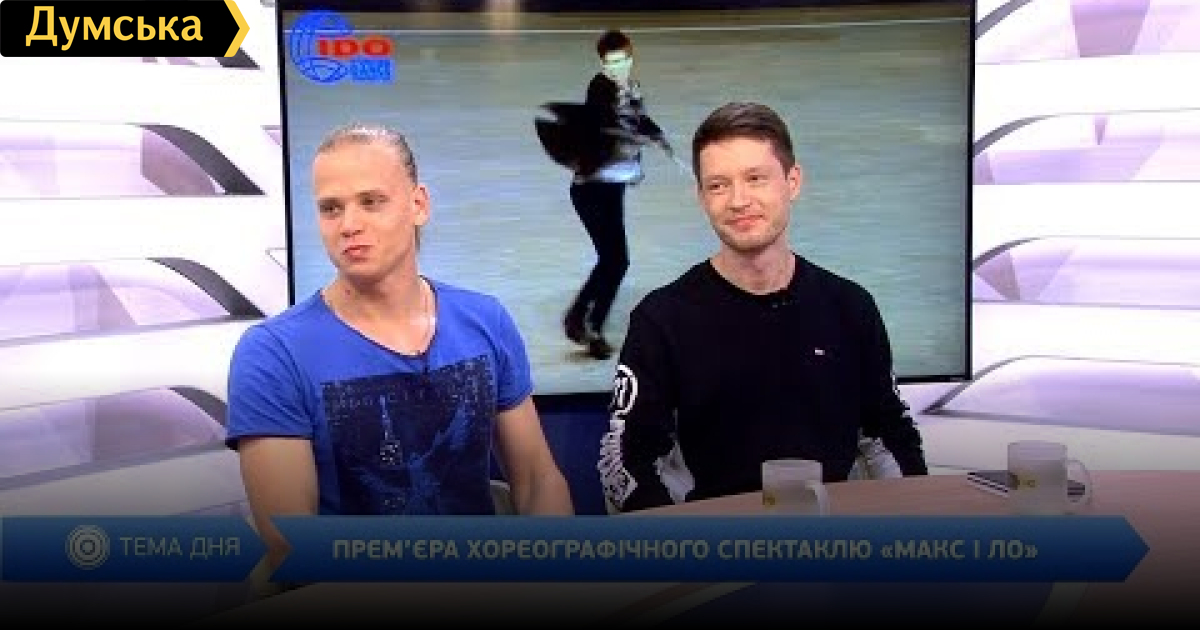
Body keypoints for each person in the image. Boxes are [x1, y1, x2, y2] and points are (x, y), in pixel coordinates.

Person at [225, 123, 575, 575]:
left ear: (418, 205)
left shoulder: (485, 320)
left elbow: (537, 479)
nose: (349, 225)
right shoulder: (273, 354)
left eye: (371, 202)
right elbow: (291, 544)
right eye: (331, 209)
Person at [596, 102, 928, 512]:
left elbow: (891, 437)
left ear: (793, 181)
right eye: (718, 185)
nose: (739, 200)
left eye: (755, 178)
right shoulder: (662, 320)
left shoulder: (850, 308)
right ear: (701, 197)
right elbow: (627, 461)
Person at [561, 28, 674, 360]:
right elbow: (607, 123)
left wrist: (656, 134)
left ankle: (579, 319)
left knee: (612, 260)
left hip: (612, 189)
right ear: (602, 64)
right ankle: (589, 325)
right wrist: (635, 134)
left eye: (623, 60)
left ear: (631, 58)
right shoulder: (599, 89)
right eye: (611, 63)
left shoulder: (631, 88)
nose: (618, 67)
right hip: (590, 190)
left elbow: (638, 119)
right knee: (615, 260)